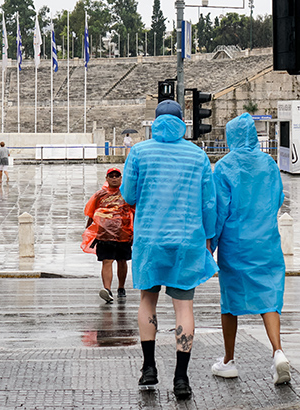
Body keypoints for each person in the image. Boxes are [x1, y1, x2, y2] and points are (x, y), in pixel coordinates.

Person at [120, 99, 218, 400]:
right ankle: (181, 378)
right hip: (187, 240)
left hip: (150, 238)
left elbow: (128, 194)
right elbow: (208, 203)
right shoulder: (197, 155)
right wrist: (209, 239)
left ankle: (148, 367)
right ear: (182, 122)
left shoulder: (139, 152)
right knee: (184, 308)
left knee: (147, 301)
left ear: (155, 122)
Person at [210, 113, 291, 385]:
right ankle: (278, 352)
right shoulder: (269, 164)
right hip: (266, 240)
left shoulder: (223, 167)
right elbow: (278, 198)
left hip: (235, 243)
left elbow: (218, 210)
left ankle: (229, 359)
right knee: (269, 296)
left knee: (230, 301)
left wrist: (211, 244)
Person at [82, 167, 134, 304]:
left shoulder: (127, 194)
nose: (114, 178)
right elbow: (91, 212)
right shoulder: (99, 195)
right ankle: (107, 289)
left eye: (117, 176)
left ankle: (121, 288)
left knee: (122, 261)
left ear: (121, 178)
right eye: (112, 176)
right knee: (107, 261)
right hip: (104, 235)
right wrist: (89, 230)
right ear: (107, 178)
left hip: (123, 233)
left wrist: (134, 231)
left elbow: (134, 212)